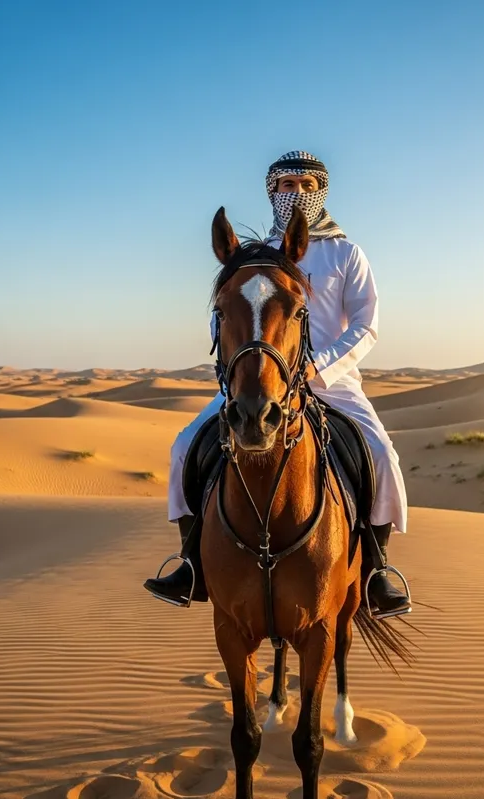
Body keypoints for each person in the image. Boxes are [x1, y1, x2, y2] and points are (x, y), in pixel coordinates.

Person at [144, 150, 410, 616]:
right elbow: (224, 315)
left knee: (382, 456)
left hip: (331, 382)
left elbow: (366, 326)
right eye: (287, 185)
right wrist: (237, 368)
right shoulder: (254, 257)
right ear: (273, 192)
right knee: (185, 446)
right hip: (259, 380)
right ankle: (190, 563)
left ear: (321, 192)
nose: (297, 193)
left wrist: (317, 367)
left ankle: (376, 569)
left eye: (307, 186)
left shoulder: (347, 254)